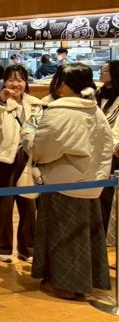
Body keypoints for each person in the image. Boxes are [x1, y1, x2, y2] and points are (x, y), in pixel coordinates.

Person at [21, 63, 113, 300]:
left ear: (62, 83)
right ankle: (88, 280)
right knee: (85, 235)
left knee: (62, 236)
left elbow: (41, 150)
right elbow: (106, 148)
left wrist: (28, 133)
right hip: (90, 183)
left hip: (62, 184)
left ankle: (65, 285)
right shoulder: (95, 110)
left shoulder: (59, 112)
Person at [0, 65, 41, 264]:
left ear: (26, 83)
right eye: (11, 79)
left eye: (20, 79)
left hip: (27, 159)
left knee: (28, 206)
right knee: (2, 206)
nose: (16, 84)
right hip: (2, 160)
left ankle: (27, 248)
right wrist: (1, 100)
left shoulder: (35, 104)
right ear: (4, 82)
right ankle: (2, 247)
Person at [97, 61, 119, 235]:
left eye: (105, 70)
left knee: (108, 196)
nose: (101, 72)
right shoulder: (98, 93)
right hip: (97, 150)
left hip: (114, 152)